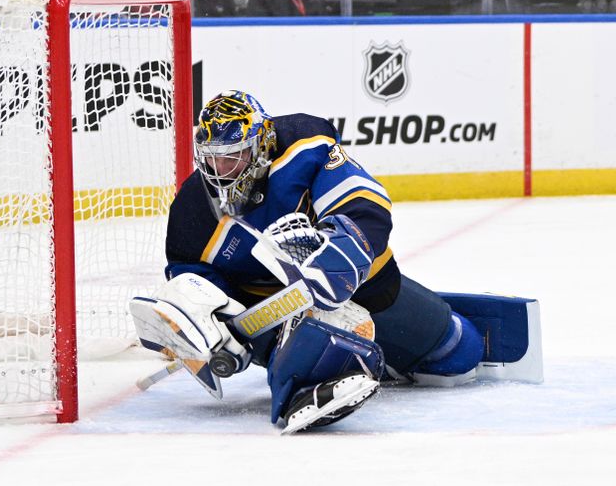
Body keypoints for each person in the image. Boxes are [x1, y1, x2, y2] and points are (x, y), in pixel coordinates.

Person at [131, 90, 506, 434]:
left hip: (363, 283)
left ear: (261, 144)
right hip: (271, 317)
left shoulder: (304, 147)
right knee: (304, 355)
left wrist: (340, 249)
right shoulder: (192, 208)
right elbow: (190, 273)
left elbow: (365, 206)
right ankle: (303, 382)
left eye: (234, 155)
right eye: (212, 158)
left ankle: (385, 355)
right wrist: (213, 328)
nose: (221, 169)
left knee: (458, 351)